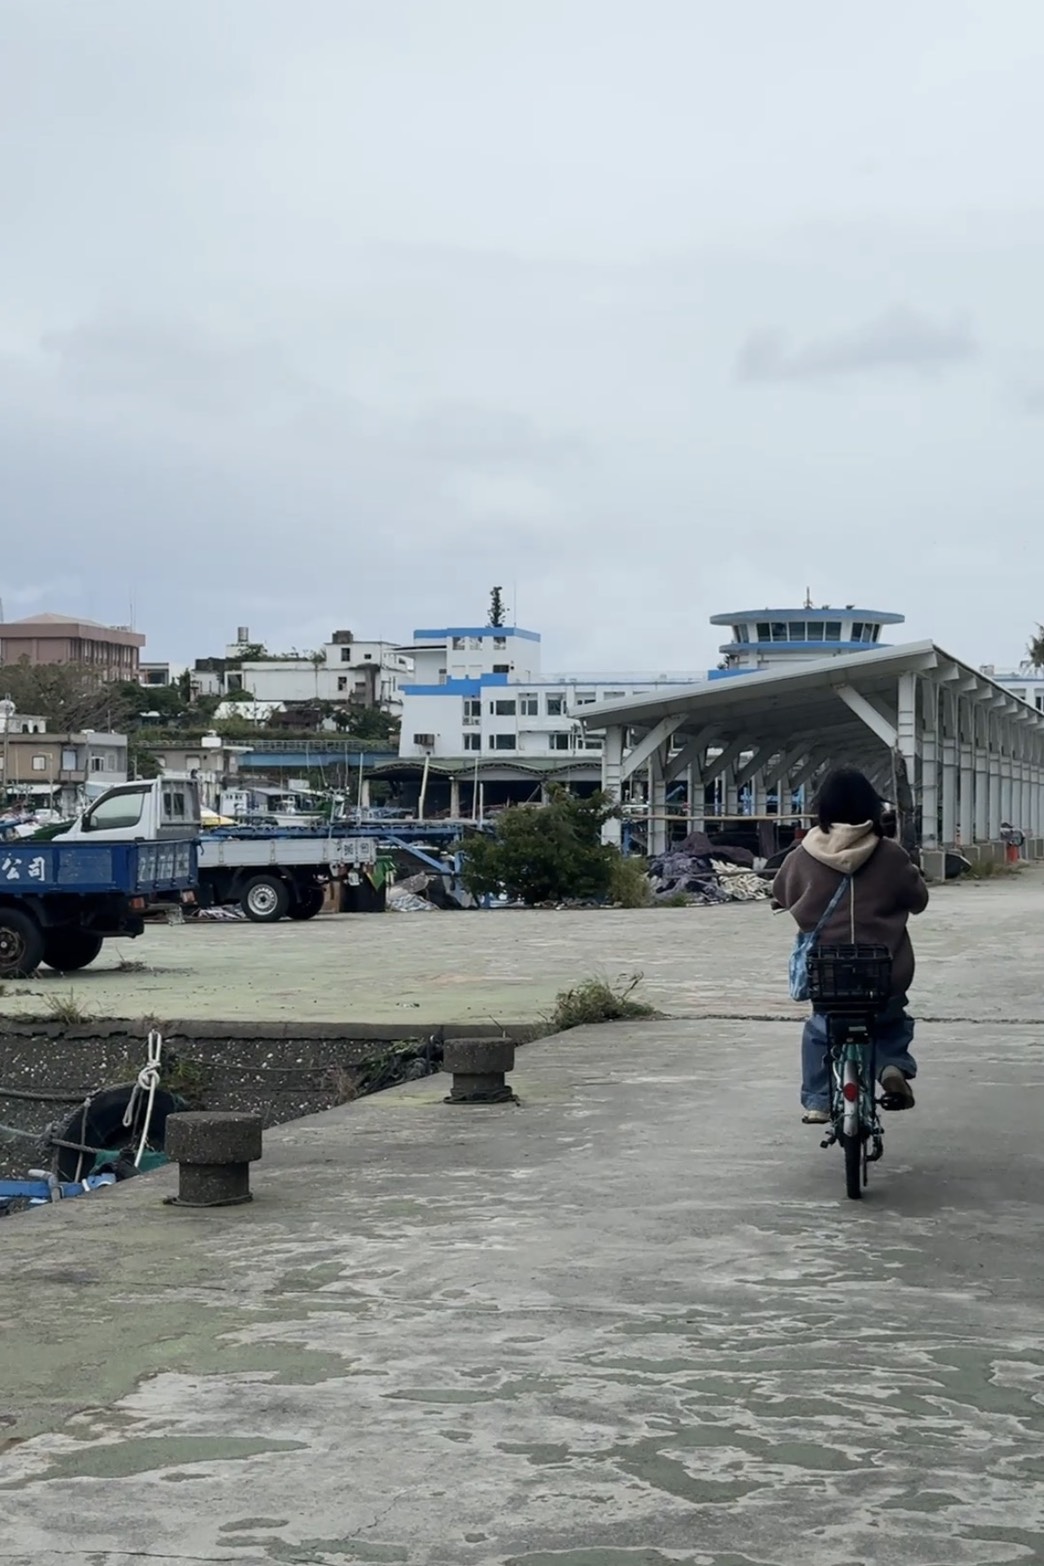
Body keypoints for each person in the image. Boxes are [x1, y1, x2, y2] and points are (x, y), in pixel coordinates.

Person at [773, 766, 929, 1124]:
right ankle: (890, 1068)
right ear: (872, 808)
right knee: (891, 1022)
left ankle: (818, 1100)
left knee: (820, 1028)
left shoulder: (802, 855)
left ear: (822, 807)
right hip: (884, 970)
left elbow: (781, 892)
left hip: (829, 974)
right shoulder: (891, 855)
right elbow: (918, 900)